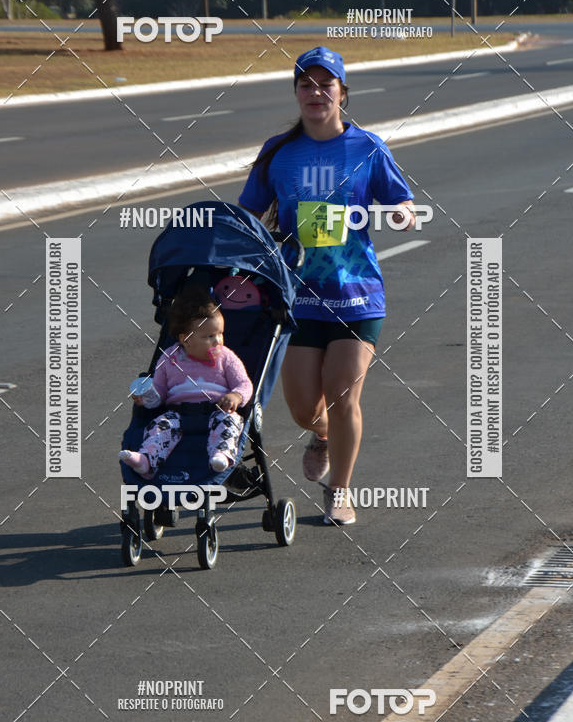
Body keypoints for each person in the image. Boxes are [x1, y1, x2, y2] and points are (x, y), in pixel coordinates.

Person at [239, 46, 415, 526]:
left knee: (343, 395)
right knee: (302, 408)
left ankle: (340, 490)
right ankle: (320, 435)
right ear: (296, 92)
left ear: (342, 92)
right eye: (306, 85)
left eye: (325, 84)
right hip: (298, 295)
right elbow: (248, 214)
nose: (315, 93)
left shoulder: (367, 147)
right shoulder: (278, 152)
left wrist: (402, 214)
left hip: (357, 293)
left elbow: (403, 201)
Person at [119, 288, 253, 478]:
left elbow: (244, 384)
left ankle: (221, 454)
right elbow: (159, 391)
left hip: (217, 410)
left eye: (220, 333)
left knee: (229, 422)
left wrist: (236, 396)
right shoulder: (170, 358)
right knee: (159, 427)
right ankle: (146, 459)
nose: (217, 341)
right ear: (186, 339)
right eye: (209, 336)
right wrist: (147, 397)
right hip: (178, 414)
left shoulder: (226, 357)